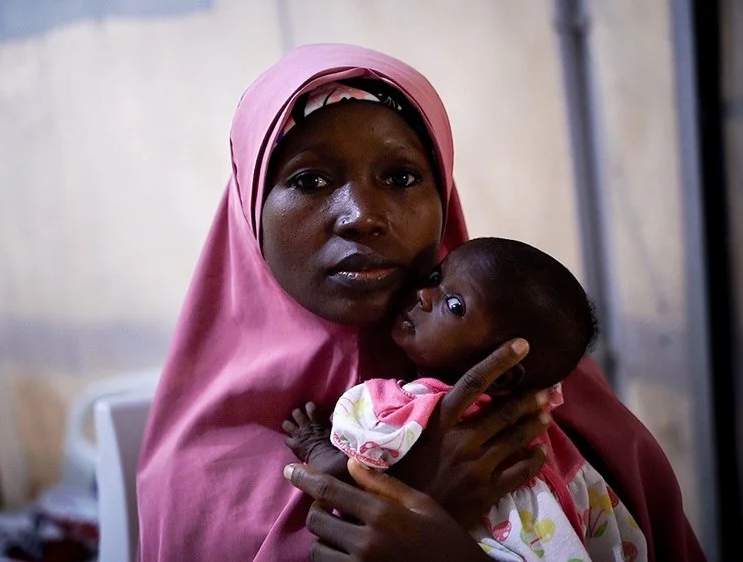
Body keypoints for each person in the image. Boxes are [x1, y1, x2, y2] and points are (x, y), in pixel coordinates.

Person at [136, 43, 705, 561]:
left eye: (401, 177)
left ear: (443, 194)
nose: (361, 216)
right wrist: (412, 494)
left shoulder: (545, 392)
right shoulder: (197, 473)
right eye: (309, 181)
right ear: (250, 208)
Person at [283, 237, 646, 561]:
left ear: (503, 375)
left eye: (454, 305)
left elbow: (353, 470)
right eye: (436, 276)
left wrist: (316, 446)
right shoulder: (547, 426)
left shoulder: (415, 405)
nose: (424, 293)